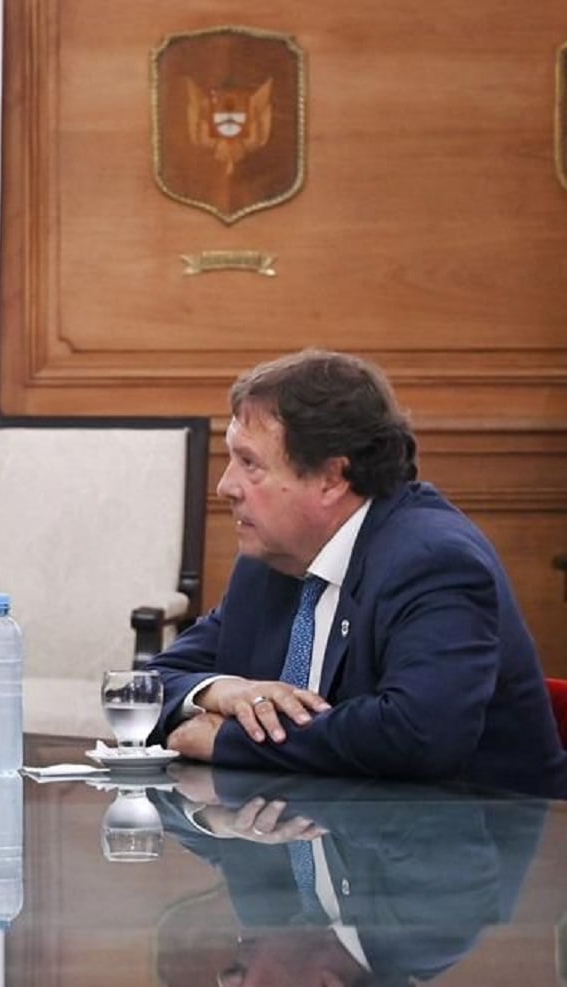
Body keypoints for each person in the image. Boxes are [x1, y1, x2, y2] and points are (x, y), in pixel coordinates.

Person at [146, 349, 566, 798]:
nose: (225, 486)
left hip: (462, 843)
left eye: (249, 463)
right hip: (308, 834)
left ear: (331, 478)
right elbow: (146, 687)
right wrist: (218, 691)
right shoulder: (272, 560)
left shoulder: (434, 561)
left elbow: (418, 735)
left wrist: (231, 740)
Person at [153, 766, 545, 987]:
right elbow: (426, 812)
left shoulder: (267, 919)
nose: (225, 981)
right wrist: (261, 780)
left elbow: (157, 802)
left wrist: (212, 819)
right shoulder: (437, 927)